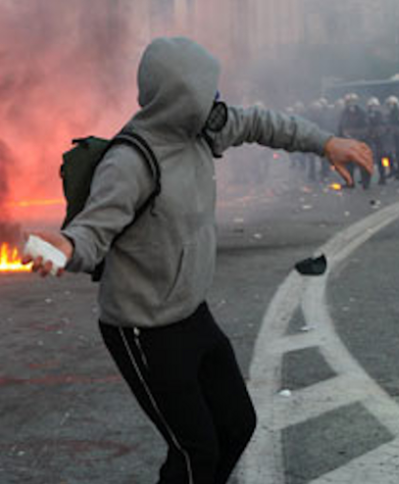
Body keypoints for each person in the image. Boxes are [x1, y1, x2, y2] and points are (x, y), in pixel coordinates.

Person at [22, 37, 373, 484]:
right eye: (207, 91)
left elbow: (265, 124)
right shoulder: (131, 161)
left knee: (237, 424)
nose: (218, 100)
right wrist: (67, 248)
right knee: (194, 452)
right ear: (179, 96)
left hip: (191, 314)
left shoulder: (206, 127)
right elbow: (94, 231)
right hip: (142, 327)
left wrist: (325, 143)